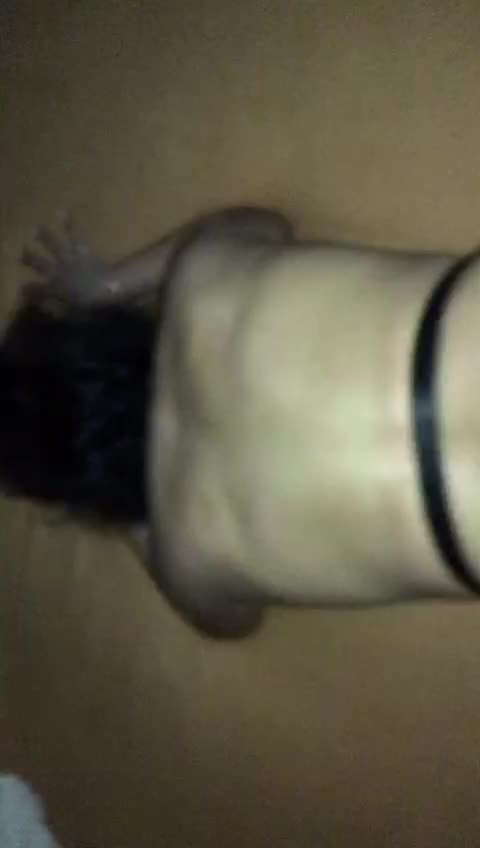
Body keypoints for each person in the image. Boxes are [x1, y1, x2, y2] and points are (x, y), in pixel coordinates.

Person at [1, 206, 479, 638]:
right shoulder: (202, 272)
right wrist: (108, 286)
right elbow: (263, 223)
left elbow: (233, 624)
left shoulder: (187, 561)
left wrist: (123, 515)